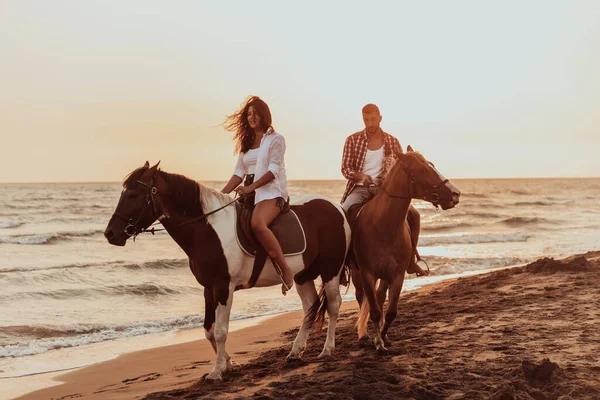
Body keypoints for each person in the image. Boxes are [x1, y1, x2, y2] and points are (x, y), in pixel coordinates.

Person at [341, 103, 429, 276]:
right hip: (359, 189)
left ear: (380, 118)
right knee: (342, 217)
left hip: (386, 192)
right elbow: (345, 168)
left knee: (414, 215)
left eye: (373, 119)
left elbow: (402, 169)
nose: (370, 124)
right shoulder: (352, 140)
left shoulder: (392, 141)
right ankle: (344, 265)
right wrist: (361, 177)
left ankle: (410, 261)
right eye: (366, 120)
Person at [221, 96, 295, 294]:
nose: (252, 117)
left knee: (257, 224)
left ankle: (285, 270)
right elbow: (238, 174)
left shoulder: (276, 139)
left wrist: (251, 187)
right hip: (251, 191)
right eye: (249, 114)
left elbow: (273, 170)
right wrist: (219, 195)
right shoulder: (246, 143)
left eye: (255, 113)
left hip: (271, 192)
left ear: (264, 115)